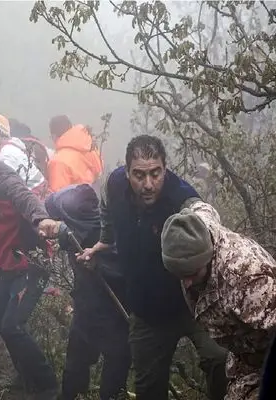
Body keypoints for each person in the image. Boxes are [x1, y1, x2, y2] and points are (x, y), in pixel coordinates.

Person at [77, 135, 227, 400]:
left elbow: (205, 216)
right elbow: (107, 210)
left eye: (155, 174)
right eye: (139, 175)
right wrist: (104, 242)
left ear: (165, 169)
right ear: (126, 172)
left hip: (194, 303)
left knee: (220, 359)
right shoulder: (114, 185)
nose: (148, 184)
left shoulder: (180, 197)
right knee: (148, 388)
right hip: (147, 312)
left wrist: (207, 226)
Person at [0, 125, 62, 400]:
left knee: (13, 325)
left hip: (31, 264)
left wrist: (42, 220)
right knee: (1, 322)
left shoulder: (4, 179)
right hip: (5, 265)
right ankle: (25, 377)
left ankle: (48, 386)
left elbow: (25, 198)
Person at [161, 200, 276, 399]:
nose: (187, 283)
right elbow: (201, 208)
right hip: (243, 356)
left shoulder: (247, 282)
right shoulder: (197, 227)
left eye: (192, 273)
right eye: (180, 274)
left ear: (207, 258)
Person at [46, 184, 131, 400]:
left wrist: (99, 266)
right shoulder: (74, 228)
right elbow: (51, 204)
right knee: (76, 366)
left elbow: (125, 271)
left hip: (116, 312)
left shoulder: (108, 235)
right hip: (86, 309)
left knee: (114, 370)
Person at [0, 113, 47, 196]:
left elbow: (6, 187)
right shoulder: (12, 146)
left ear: (4, 137)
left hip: (33, 194)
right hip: (35, 191)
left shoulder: (6, 154)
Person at [47, 115, 103, 193]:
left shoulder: (57, 162)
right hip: (98, 194)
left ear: (54, 136)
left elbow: (58, 195)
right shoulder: (89, 144)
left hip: (81, 199)